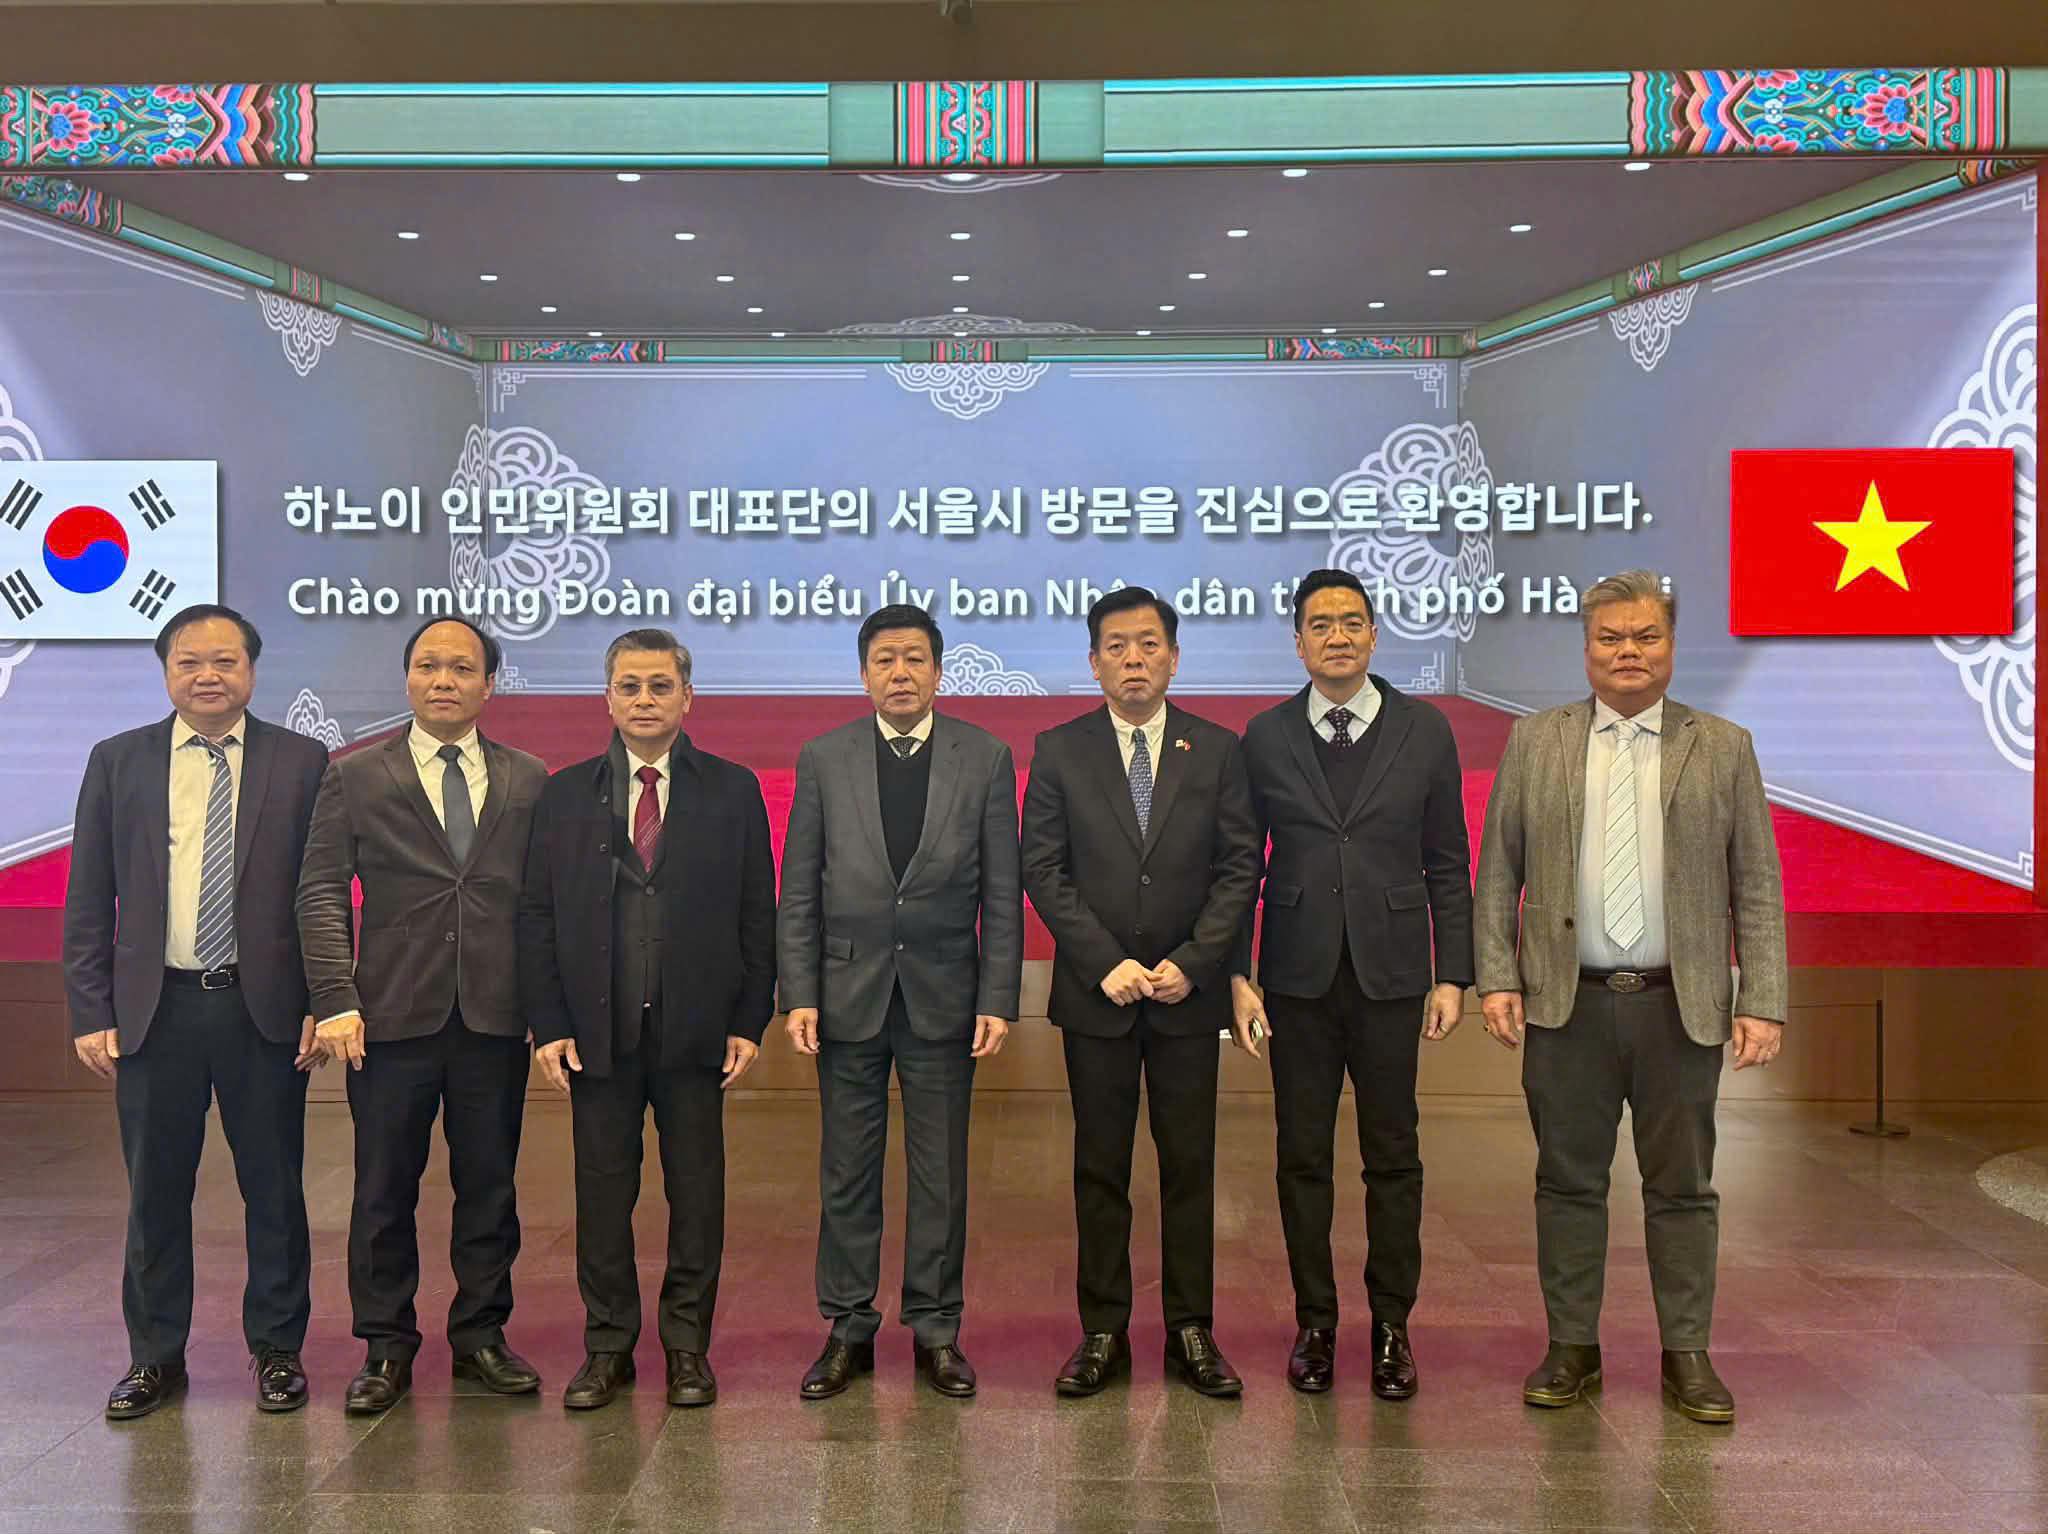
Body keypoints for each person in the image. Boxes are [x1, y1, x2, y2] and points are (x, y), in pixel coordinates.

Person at [1473, 569, 1787, 1425]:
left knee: (1683, 1188)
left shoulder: (1722, 745)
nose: (1628, 653)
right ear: (1586, 649)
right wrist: (1497, 978)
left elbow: (1757, 884)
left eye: (1646, 636)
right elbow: (1498, 873)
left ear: (1672, 646)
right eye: (1610, 638)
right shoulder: (1537, 740)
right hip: (1565, 1006)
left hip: (1677, 1007)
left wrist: (1762, 997)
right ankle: (1571, 1347)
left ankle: (1688, 1354)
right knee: (1566, 1183)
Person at [62, 605, 330, 1419]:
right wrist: (90, 1008)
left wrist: (323, 1000)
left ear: (251, 669)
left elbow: (321, 893)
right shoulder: (119, 760)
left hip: (264, 1011)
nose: (207, 675)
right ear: (166, 670)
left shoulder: (302, 761)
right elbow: (88, 894)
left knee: (274, 1190)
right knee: (155, 1192)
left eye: (224, 660)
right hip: (156, 1012)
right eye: (189, 661)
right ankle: (154, 1358)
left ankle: (277, 1350)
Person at [1230, 568, 1473, 1398]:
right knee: (1301, 1156)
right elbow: (1240, 865)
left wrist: (1455, 974)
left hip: (1392, 975)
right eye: (1321, 624)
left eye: (1351, 621)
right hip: (1295, 977)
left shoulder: (1424, 729)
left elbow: (1448, 861)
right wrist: (1237, 973)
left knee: (1392, 1155)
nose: (1337, 635)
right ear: (1297, 642)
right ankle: (1316, 1323)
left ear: (1374, 634)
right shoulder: (1265, 735)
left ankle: (1393, 1326)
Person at [297, 616, 549, 1415]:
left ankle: (481, 1335)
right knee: (382, 1189)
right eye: (429, 666)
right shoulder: (355, 775)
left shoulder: (530, 778)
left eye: (462, 668)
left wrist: (550, 1005)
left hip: (494, 1016)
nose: (445, 680)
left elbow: (548, 902)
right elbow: (321, 890)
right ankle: (385, 1345)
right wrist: (334, 997)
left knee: (490, 1187)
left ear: (489, 684)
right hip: (388, 1016)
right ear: (407, 678)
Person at [519, 629, 776, 1411]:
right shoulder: (565, 793)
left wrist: (749, 1019)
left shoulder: (732, 789)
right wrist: (549, 1022)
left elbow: (756, 914)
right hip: (597, 1036)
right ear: (607, 697)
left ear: (687, 697)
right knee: (602, 1197)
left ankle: (688, 1345)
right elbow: (537, 915)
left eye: (660, 686)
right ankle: (607, 1346)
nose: (644, 700)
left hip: (696, 1032)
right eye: (629, 686)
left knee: (697, 1195)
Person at [777, 604, 1022, 1401]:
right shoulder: (825, 757)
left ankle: (937, 1327)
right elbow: (800, 887)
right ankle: (847, 1326)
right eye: (885, 660)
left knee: (939, 1173)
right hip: (847, 994)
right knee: (847, 1172)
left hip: (945, 996)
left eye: (915, 658)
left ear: (939, 671)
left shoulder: (984, 757)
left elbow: (1002, 891)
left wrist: (999, 997)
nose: (901, 673)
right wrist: (798, 991)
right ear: (863, 675)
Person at [1021, 587, 1261, 1398]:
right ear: (1093, 662)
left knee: (1190, 1166)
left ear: (1174, 657)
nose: (1134, 659)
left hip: (1187, 997)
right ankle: (1103, 1330)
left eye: (1149, 644)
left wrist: (1195, 961)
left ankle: (1192, 1328)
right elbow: (1042, 868)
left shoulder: (1217, 749)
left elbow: (1239, 867)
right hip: (1100, 999)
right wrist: (1102, 961)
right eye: (1117, 646)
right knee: (1100, 1167)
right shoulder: (1060, 749)